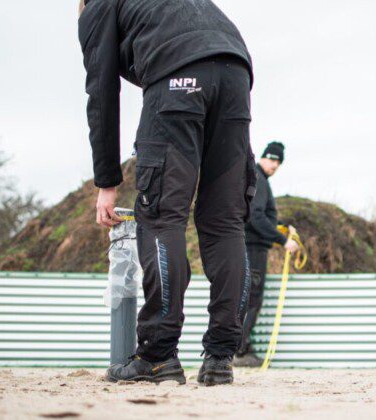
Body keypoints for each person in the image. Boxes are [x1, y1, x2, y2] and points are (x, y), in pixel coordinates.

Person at [78, 0, 255, 386]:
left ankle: (158, 355)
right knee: (225, 223)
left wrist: (106, 181)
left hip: (178, 78)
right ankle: (221, 358)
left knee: (161, 216)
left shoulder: (97, 7)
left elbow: (102, 93)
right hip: (236, 71)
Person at [234, 141, 300, 367]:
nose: (274, 165)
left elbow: (260, 214)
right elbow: (256, 217)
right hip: (254, 248)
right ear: (263, 158)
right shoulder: (259, 180)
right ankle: (240, 350)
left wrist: (281, 225)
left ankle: (240, 345)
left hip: (251, 246)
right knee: (252, 298)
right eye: (272, 160)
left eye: (278, 162)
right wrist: (283, 241)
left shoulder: (257, 179)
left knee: (248, 296)